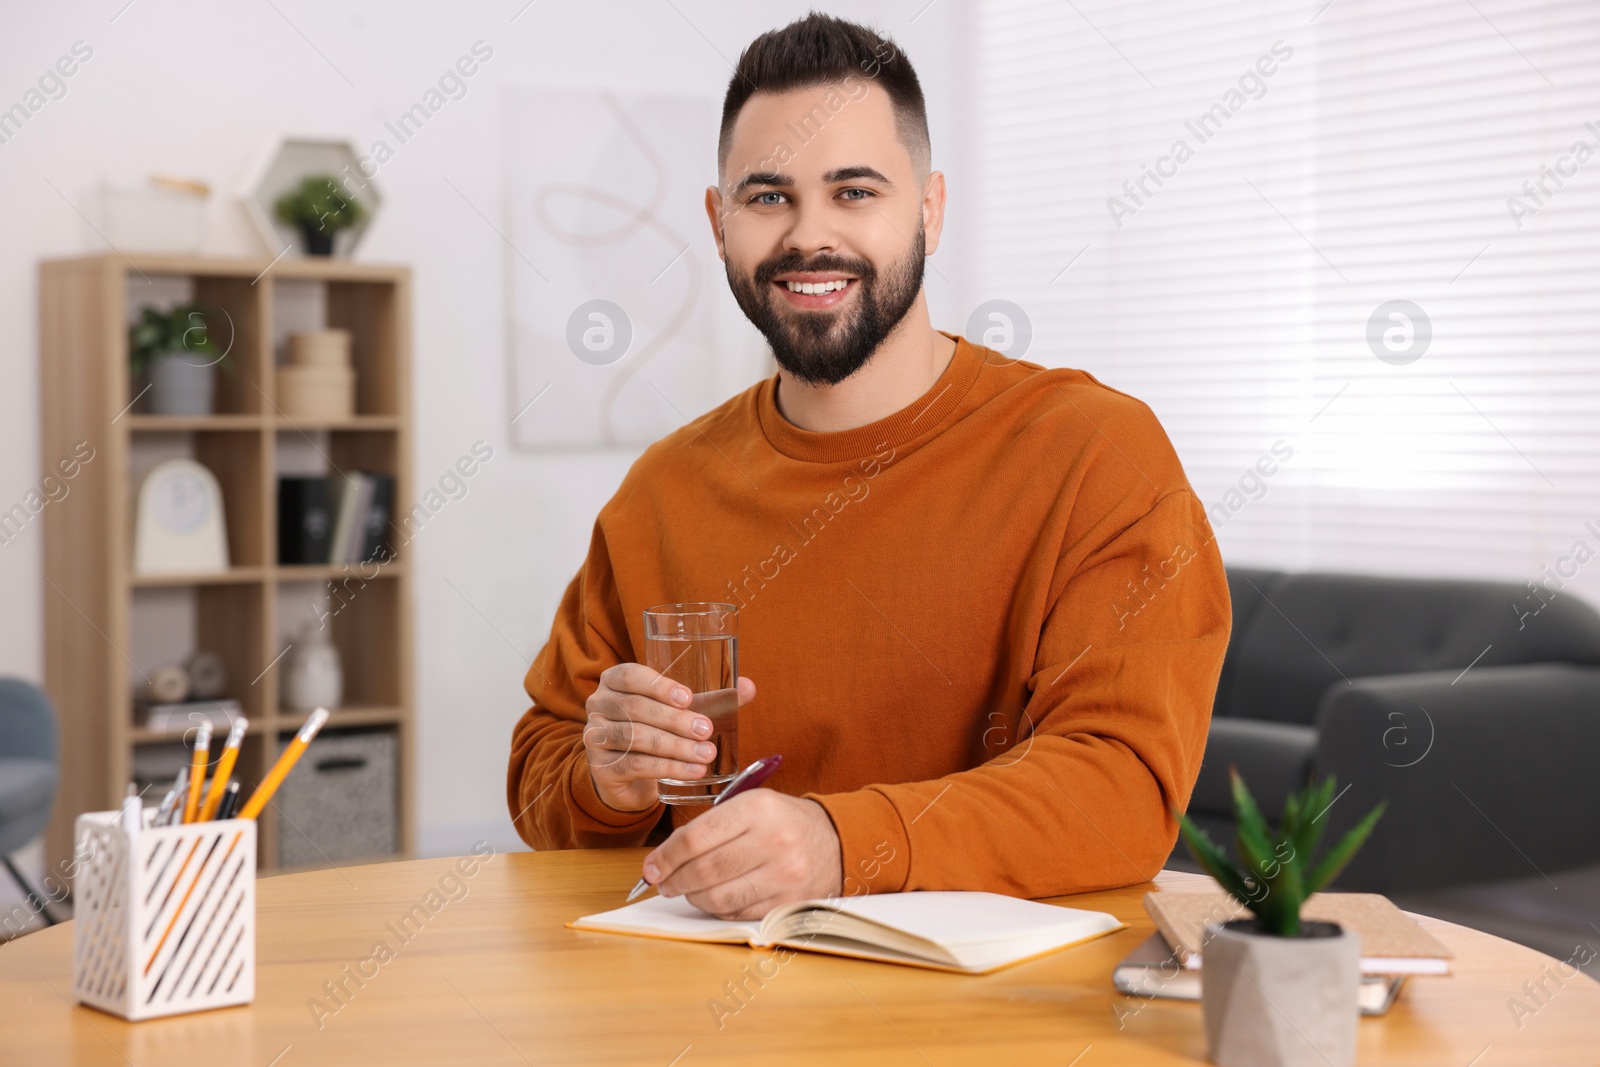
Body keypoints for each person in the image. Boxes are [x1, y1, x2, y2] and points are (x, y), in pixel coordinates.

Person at [507, 12, 1230, 921]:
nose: (811, 236)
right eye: (767, 197)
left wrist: (837, 845)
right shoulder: (663, 489)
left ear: (928, 209)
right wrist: (607, 779)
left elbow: (1123, 786)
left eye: (854, 192)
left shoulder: (1094, 453)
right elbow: (542, 770)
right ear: (719, 221)